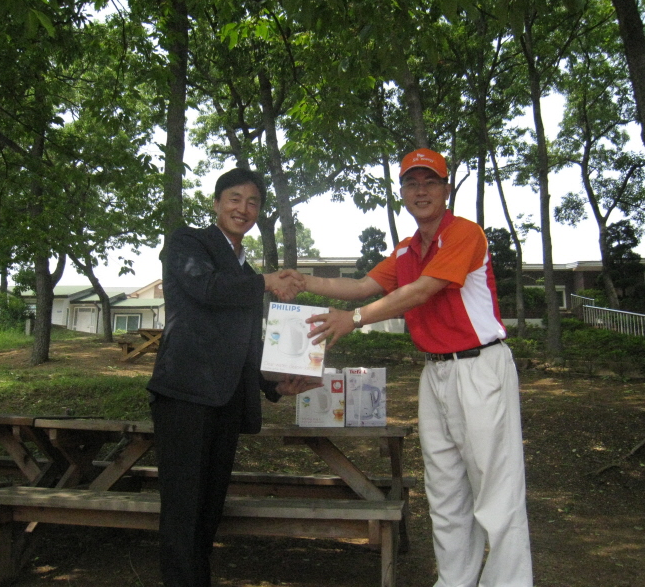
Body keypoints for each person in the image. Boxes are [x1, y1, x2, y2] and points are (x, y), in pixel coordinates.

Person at [300, 148, 533, 587]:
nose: (421, 190)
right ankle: (454, 581)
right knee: (444, 490)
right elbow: (362, 285)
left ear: (446, 189)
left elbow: (422, 291)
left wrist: (354, 320)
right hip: (435, 372)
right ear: (402, 192)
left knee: (496, 491)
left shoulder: (464, 234)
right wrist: (301, 280)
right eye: (411, 183)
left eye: (430, 182)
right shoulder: (406, 249)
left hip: (480, 367)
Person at [146, 167, 319, 587]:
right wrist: (266, 281)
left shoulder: (246, 272)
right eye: (235, 198)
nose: (244, 208)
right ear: (217, 203)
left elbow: (246, 343)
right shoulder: (187, 242)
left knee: (208, 511)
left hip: (226, 401)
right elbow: (206, 288)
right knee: (183, 513)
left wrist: (274, 384)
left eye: (253, 202)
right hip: (185, 395)